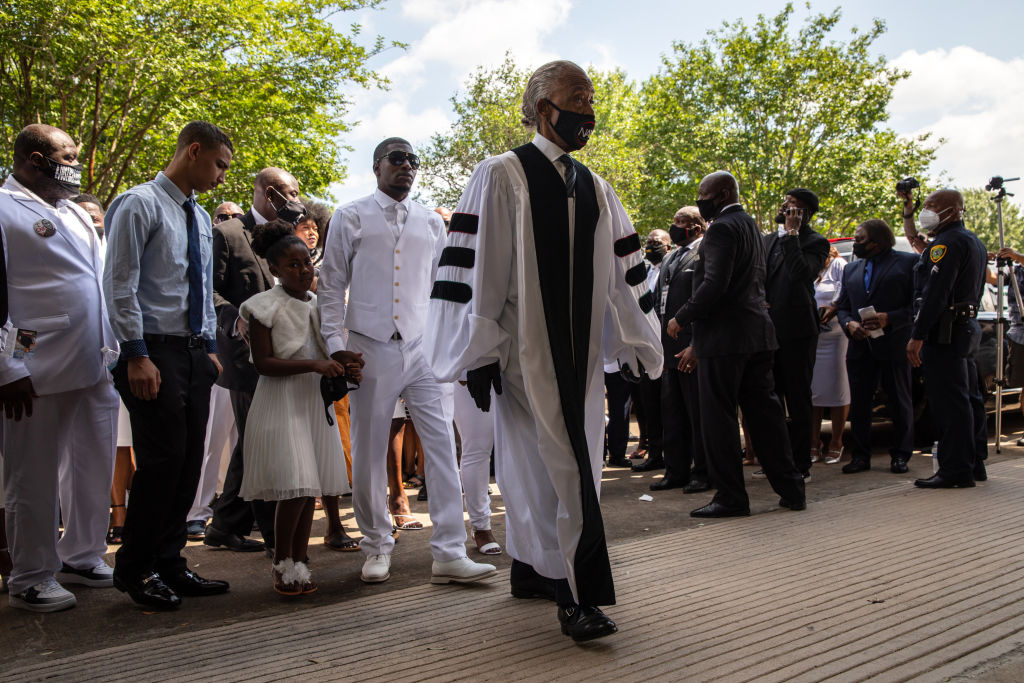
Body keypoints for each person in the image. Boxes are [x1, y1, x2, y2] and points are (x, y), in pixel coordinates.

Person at [424, 60, 663, 641]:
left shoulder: (595, 186)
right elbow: (472, 270)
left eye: (589, 98)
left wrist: (638, 339)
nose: (586, 110)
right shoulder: (500, 174)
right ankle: (575, 595)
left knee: (548, 470)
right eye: (573, 98)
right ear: (540, 109)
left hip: (579, 364)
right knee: (557, 472)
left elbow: (625, 271)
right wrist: (476, 353)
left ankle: (532, 570)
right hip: (522, 355)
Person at [319, 136, 496, 587]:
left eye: (413, 161)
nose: (406, 167)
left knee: (441, 447)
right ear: (377, 166)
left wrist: (452, 343)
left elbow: (446, 287)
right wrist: (335, 342)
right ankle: (377, 545)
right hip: (367, 345)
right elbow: (331, 283)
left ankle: (450, 551)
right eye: (397, 159)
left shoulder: (431, 222)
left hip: (423, 346)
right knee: (370, 448)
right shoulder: (350, 215)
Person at [104, 120, 232, 609]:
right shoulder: (140, 204)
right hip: (151, 351)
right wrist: (135, 354)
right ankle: (134, 569)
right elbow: (120, 283)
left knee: (187, 466)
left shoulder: (199, 216)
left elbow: (194, 286)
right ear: (193, 151)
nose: (222, 175)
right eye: (218, 163)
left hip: (193, 354)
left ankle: (170, 563)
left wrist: (208, 349)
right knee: (160, 464)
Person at [0, 124, 120, 612]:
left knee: (93, 464)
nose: (76, 163)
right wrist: (4, 368)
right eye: (67, 155)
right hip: (34, 364)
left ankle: (83, 555)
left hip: (95, 359)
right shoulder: (4, 208)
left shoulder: (72, 211)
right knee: (33, 475)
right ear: (34, 159)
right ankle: (31, 575)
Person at [673, 171, 806, 518]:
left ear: (722, 193)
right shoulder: (750, 225)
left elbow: (715, 284)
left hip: (725, 339)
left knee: (718, 420)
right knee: (766, 416)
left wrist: (681, 317)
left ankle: (731, 497)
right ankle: (792, 488)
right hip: (757, 335)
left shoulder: (721, 228)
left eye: (704, 194)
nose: (700, 200)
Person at [237, 220, 355, 595]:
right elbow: (264, 363)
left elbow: (326, 349)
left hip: (312, 403)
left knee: (311, 488)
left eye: (307, 263)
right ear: (273, 270)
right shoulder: (262, 307)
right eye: (293, 265)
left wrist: (346, 361)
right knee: (295, 488)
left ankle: (300, 561)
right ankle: (281, 561)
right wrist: (314, 365)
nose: (304, 271)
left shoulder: (320, 305)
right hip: (283, 401)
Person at [206, 168, 305, 555]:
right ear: (267, 192)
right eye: (288, 191)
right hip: (248, 361)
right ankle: (274, 539)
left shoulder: (289, 235)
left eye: (298, 191)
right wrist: (237, 319)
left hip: (289, 356)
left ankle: (226, 524)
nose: (295, 197)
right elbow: (207, 290)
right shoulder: (229, 233)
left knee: (253, 445)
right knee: (264, 445)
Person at [906, 190, 988, 488]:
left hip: (946, 332)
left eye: (931, 207)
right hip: (965, 327)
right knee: (968, 399)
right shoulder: (972, 240)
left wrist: (918, 335)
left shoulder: (947, 244)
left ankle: (955, 470)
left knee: (950, 403)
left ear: (952, 211)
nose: (926, 211)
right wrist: (907, 210)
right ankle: (974, 461)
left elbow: (935, 294)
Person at [834, 220, 917, 474]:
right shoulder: (851, 269)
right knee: (859, 404)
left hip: (893, 344)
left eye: (860, 239)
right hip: (860, 345)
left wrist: (889, 317)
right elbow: (843, 306)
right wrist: (848, 324)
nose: (855, 243)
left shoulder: (907, 263)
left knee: (899, 401)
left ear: (878, 242)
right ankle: (860, 456)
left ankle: (901, 455)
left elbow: (916, 306)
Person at [759, 189, 830, 480]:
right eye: (785, 202)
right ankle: (776, 462)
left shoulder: (815, 242)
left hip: (797, 331)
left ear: (805, 213)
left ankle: (801, 464)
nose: (785, 207)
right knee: (768, 397)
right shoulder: (767, 241)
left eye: (793, 206)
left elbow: (802, 273)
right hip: (766, 329)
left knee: (798, 398)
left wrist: (792, 236)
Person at [656, 207, 709, 492]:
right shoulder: (670, 257)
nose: (674, 227)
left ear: (697, 227)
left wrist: (695, 344)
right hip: (668, 348)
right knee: (673, 413)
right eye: (674, 221)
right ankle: (675, 471)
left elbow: (705, 301)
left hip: (691, 346)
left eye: (681, 223)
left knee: (697, 414)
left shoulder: (704, 253)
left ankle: (703, 472)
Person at [631, 229, 670, 473]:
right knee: (648, 404)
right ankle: (655, 453)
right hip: (645, 348)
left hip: (668, 346)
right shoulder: (644, 271)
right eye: (648, 242)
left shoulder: (672, 266)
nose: (650, 246)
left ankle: (675, 454)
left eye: (656, 242)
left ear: (668, 246)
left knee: (670, 405)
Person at [810, 246, 850, 465]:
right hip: (814, 335)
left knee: (837, 388)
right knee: (813, 390)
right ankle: (814, 441)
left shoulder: (838, 266)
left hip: (835, 335)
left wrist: (832, 307)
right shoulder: (811, 269)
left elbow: (845, 293)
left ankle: (836, 441)